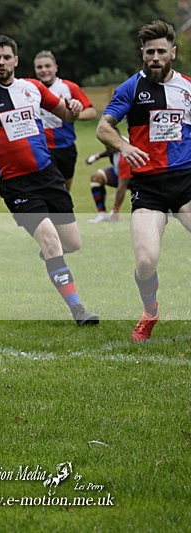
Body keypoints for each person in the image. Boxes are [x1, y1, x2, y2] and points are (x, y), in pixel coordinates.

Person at [0, 35, 99, 326]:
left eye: (6, 57)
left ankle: (52, 258)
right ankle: (79, 310)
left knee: (73, 243)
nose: (1, 62)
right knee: (52, 242)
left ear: (16, 60)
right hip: (17, 185)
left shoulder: (33, 88)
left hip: (49, 176)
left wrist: (74, 110)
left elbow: (64, 113)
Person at [96, 19, 191, 342]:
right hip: (148, 187)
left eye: (161, 51)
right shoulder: (131, 88)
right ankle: (150, 310)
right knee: (146, 261)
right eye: (149, 51)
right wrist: (123, 145)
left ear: (172, 53)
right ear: (142, 53)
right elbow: (103, 127)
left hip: (185, 182)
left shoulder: (188, 88)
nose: (154, 57)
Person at [33, 50, 98, 191]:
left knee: (64, 190)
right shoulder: (30, 90)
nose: (44, 70)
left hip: (66, 147)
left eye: (47, 66)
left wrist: (71, 115)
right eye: (40, 67)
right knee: (50, 187)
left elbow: (92, 112)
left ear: (55, 67)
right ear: (35, 70)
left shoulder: (69, 87)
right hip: (42, 148)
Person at [85, 144, 131, 223]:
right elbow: (110, 150)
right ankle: (102, 214)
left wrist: (115, 209)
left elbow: (123, 185)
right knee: (96, 178)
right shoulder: (115, 145)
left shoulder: (125, 156)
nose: (106, 147)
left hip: (134, 180)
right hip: (120, 173)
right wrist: (97, 156)